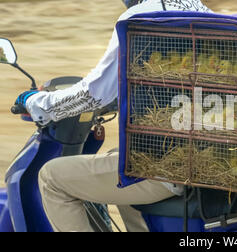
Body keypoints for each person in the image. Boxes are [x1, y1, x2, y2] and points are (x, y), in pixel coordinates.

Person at [14, 0, 212, 232]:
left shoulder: (141, 17)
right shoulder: (203, 13)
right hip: (203, 160)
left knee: (51, 177)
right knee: (117, 155)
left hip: (167, 167)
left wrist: (34, 102)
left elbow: (92, 93)